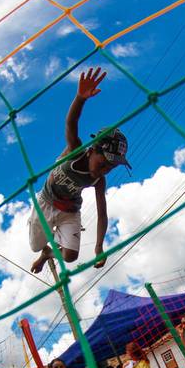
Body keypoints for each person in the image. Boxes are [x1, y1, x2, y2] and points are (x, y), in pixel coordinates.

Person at [29, 67, 131, 274]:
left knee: (70, 257)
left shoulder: (99, 181)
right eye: (103, 163)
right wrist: (80, 98)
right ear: (92, 150)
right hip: (46, 203)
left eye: (111, 168)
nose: (104, 170)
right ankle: (44, 251)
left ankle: (50, 253)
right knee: (35, 246)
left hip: (70, 211)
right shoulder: (75, 151)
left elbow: (102, 214)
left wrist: (99, 247)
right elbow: (71, 122)